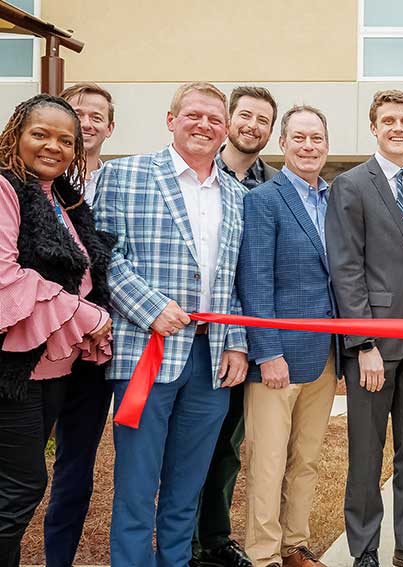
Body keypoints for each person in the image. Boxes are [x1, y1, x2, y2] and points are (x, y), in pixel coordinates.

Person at [93, 82, 249, 567]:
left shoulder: (237, 195)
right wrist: (151, 308)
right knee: (137, 488)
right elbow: (103, 256)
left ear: (225, 130)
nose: (204, 125)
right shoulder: (125, 175)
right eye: (193, 115)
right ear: (171, 119)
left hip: (210, 360)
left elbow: (235, 277)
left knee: (187, 488)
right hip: (147, 349)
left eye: (215, 119)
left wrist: (236, 343)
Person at [329, 90, 403, 567]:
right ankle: (365, 549)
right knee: (366, 453)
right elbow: (346, 268)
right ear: (374, 127)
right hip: (374, 344)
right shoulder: (351, 185)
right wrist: (363, 344)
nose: (398, 128)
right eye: (389, 120)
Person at [0, 93, 113, 567]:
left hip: (54, 371)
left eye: (66, 140)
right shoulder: (4, 188)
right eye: (40, 134)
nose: (54, 146)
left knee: (17, 487)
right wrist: (91, 317)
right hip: (14, 372)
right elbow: (6, 279)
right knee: (19, 488)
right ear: (15, 136)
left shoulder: (62, 198)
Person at [236, 105, 336, 567]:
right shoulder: (263, 200)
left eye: (316, 138)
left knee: (307, 459)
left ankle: (295, 545)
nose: (308, 146)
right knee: (268, 461)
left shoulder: (335, 200)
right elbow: (254, 280)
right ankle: (263, 555)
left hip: (324, 355)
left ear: (327, 145)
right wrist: (267, 352)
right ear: (283, 143)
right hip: (278, 358)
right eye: (299, 137)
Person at [194, 85, 280, 567]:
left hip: (249, 337)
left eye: (263, 120)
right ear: (229, 120)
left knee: (229, 443)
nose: (252, 126)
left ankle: (214, 538)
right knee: (192, 444)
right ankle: (183, 542)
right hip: (200, 334)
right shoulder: (204, 174)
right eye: (245, 115)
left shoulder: (274, 185)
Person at [41, 83, 117, 567]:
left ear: (110, 127)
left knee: (76, 463)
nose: (86, 122)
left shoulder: (120, 183)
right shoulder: (33, 184)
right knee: (21, 465)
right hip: (38, 345)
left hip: (93, 348)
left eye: (96, 116)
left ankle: (59, 559)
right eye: (77, 113)